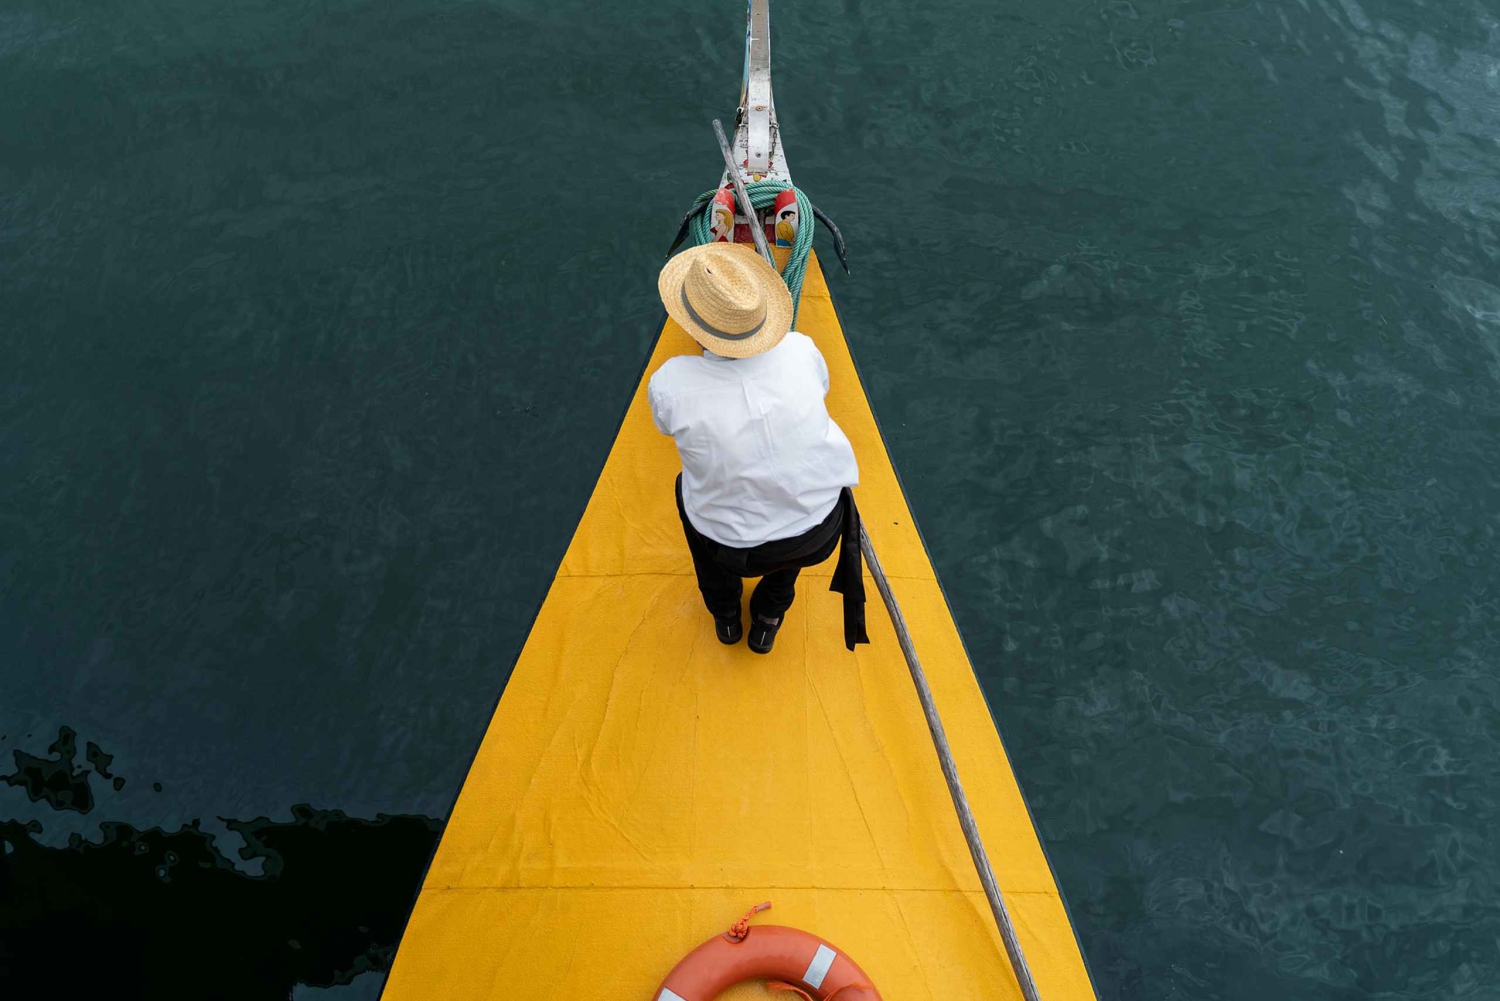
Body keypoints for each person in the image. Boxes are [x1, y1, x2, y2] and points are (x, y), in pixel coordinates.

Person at [649, 241, 869, 655]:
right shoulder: (800, 349)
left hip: (728, 548)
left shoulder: (671, 381)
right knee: (794, 517)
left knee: (684, 488)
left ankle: (726, 617)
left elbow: (664, 426)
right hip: (818, 534)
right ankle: (769, 618)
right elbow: (820, 388)